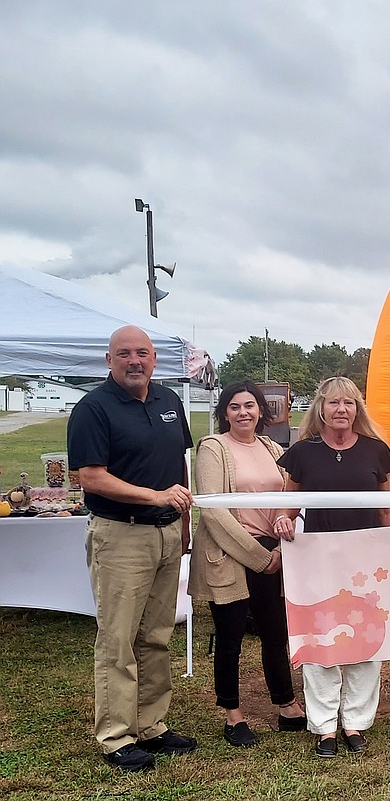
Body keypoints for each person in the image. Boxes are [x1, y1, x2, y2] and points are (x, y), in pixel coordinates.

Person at [66, 325, 197, 772]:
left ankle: (151, 725)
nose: (134, 361)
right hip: (120, 534)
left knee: (156, 636)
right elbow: (91, 476)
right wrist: (156, 497)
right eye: (124, 354)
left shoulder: (169, 402)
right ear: (109, 360)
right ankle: (116, 735)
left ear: (155, 358)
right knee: (118, 639)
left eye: (142, 353)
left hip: (165, 534)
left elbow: (180, 464)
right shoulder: (93, 409)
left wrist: (182, 526)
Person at [276, 376, 390, 758]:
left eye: (348, 403)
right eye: (333, 403)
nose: (341, 410)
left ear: (357, 408)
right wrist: (283, 520)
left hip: (365, 561)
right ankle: (324, 726)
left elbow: (385, 508)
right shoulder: (303, 454)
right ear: (321, 408)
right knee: (319, 637)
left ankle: (356, 721)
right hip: (318, 559)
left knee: (365, 637)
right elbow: (289, 504)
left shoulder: (377, 451)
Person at [189, 381, 307, 747]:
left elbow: (286, 496)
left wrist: (278, 541)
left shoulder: (272, 448)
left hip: (272, 552)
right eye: (236, 406)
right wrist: (259, 557)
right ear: (225, 412)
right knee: (230, 638)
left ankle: (286, 703)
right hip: (232, 556)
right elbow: (212, 510)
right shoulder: (213, 448)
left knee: (275, 633)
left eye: (250, 406)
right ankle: (233, 714)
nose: (244, 412)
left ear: (261, 411)